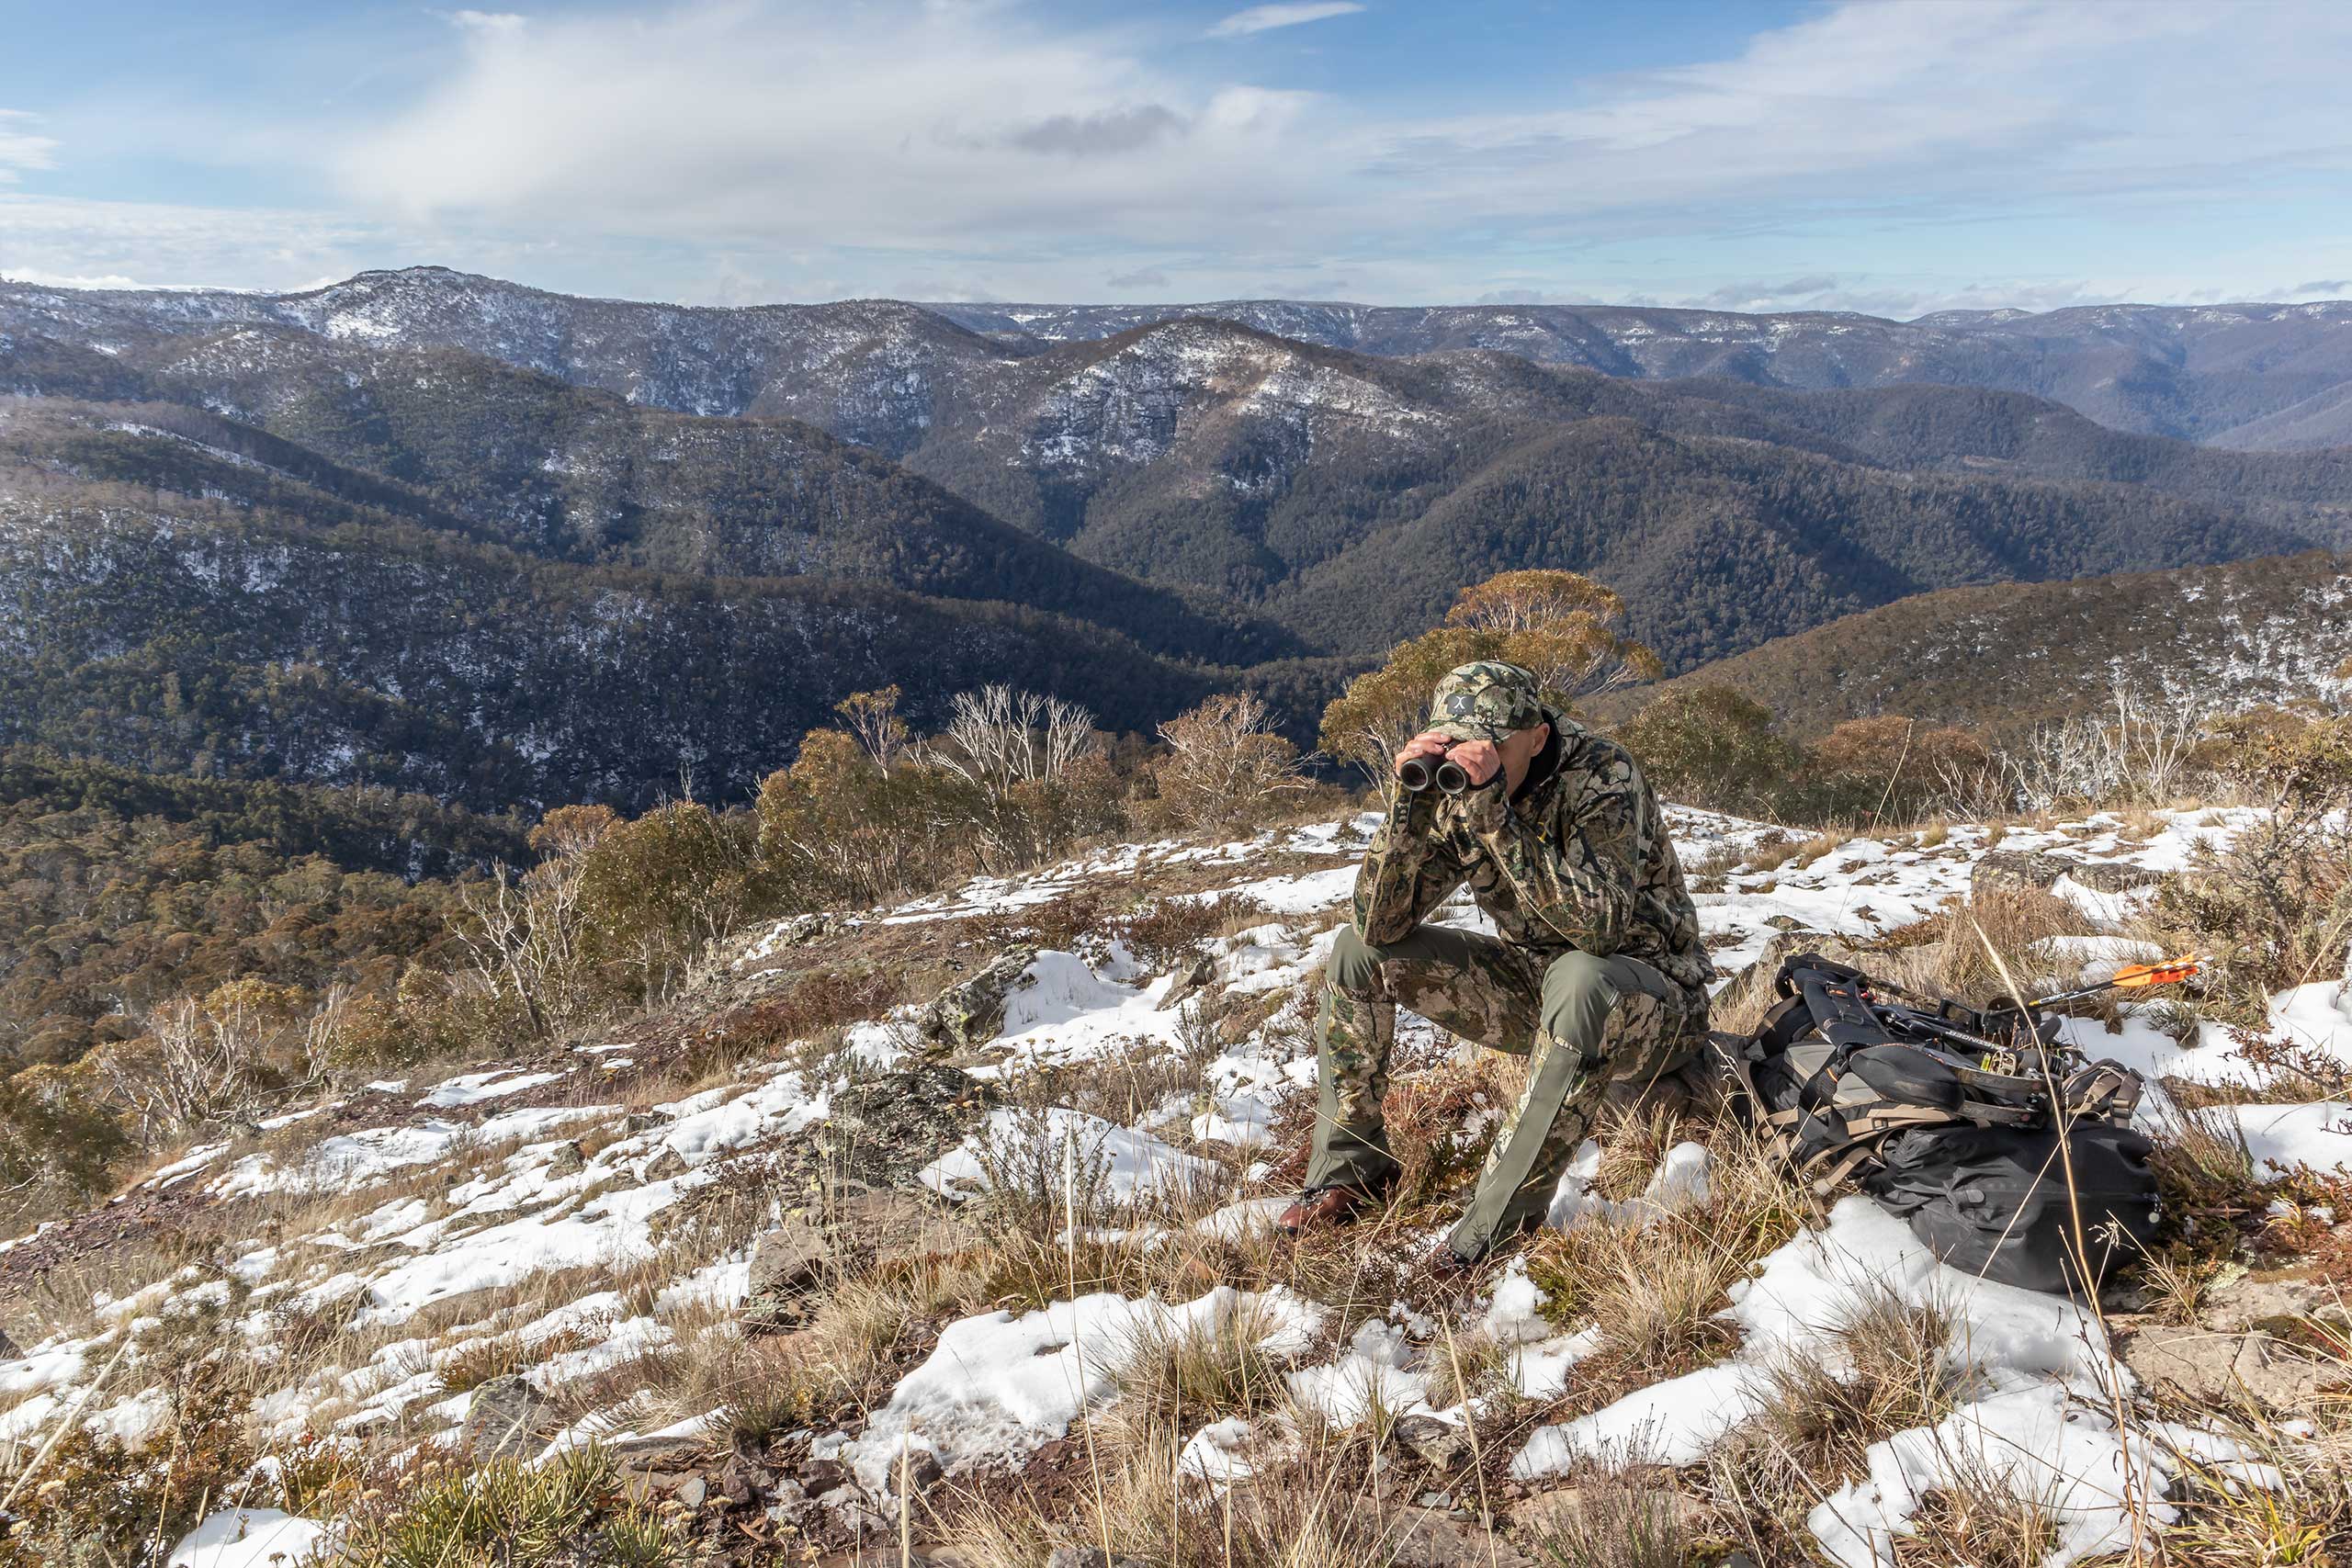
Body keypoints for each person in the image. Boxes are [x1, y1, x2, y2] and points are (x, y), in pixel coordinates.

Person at [1278, 660, 1715, 1271]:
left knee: (1580, 976)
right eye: (1457, 742)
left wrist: (1496, 822)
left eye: (1491, 745)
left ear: (1537, 737)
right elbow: (1378, 926)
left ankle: (1493, 1227)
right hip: (1537, 985)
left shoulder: (1601, 772)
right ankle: (1351, 1171)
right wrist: (1407, 812)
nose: (1473, 755)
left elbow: (1601, 929)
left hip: (1653, 1002)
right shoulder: (1458, 785)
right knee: (1356, 953)